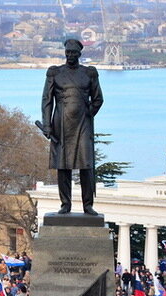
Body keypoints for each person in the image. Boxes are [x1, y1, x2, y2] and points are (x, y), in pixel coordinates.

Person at [40, 38, 103, 215]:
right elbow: (47, 100)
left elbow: (98, 99)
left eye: (73, 53)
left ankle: (87, 204)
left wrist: (88, 113)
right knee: (63, 166)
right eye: (67, 53)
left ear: (79, 54)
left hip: (83, 124)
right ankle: (65, 204)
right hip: (61, 124)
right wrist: (47, 125)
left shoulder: (89, 73)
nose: (70, 56)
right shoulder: (54, 73)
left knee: (86, 165)